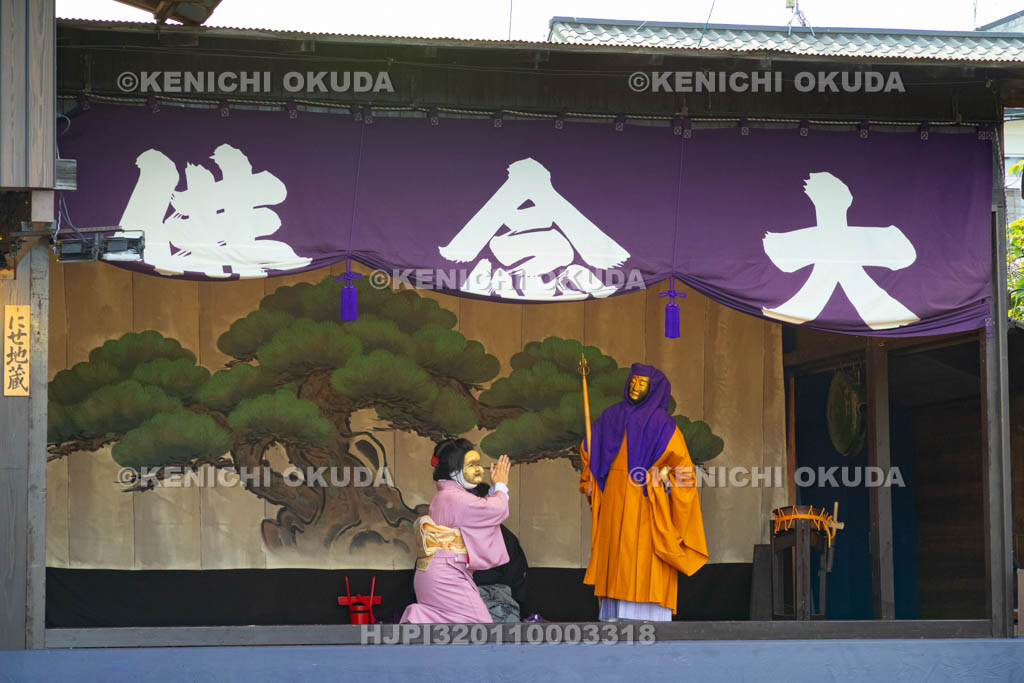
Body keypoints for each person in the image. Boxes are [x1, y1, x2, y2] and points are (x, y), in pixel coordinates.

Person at [579, 363, 709, 621]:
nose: (635, 387)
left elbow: (683, 471)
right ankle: (614, 623)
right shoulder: (611, 416)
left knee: (645, 562)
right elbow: (589, 450)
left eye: (642, 383)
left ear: (654, 389)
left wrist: (663, 477)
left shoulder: (663, 424)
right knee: (616, 560)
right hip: (615, 499)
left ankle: (649, 622)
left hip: (647, 504)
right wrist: (591, 476)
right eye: (633, 381)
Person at [400, 439, 511, 623]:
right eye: (471, 465)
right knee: (480, 626)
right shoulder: (455, 498)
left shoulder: (447, 496)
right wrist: (500, 485)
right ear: (453, 471)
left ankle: (420, 616)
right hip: (446, 574)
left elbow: (482, 511)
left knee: (453, 625)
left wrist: (494, 490)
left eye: (478, 464)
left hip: (438, 572)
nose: (478, 469)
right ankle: (419, 616)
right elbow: (496, 510)